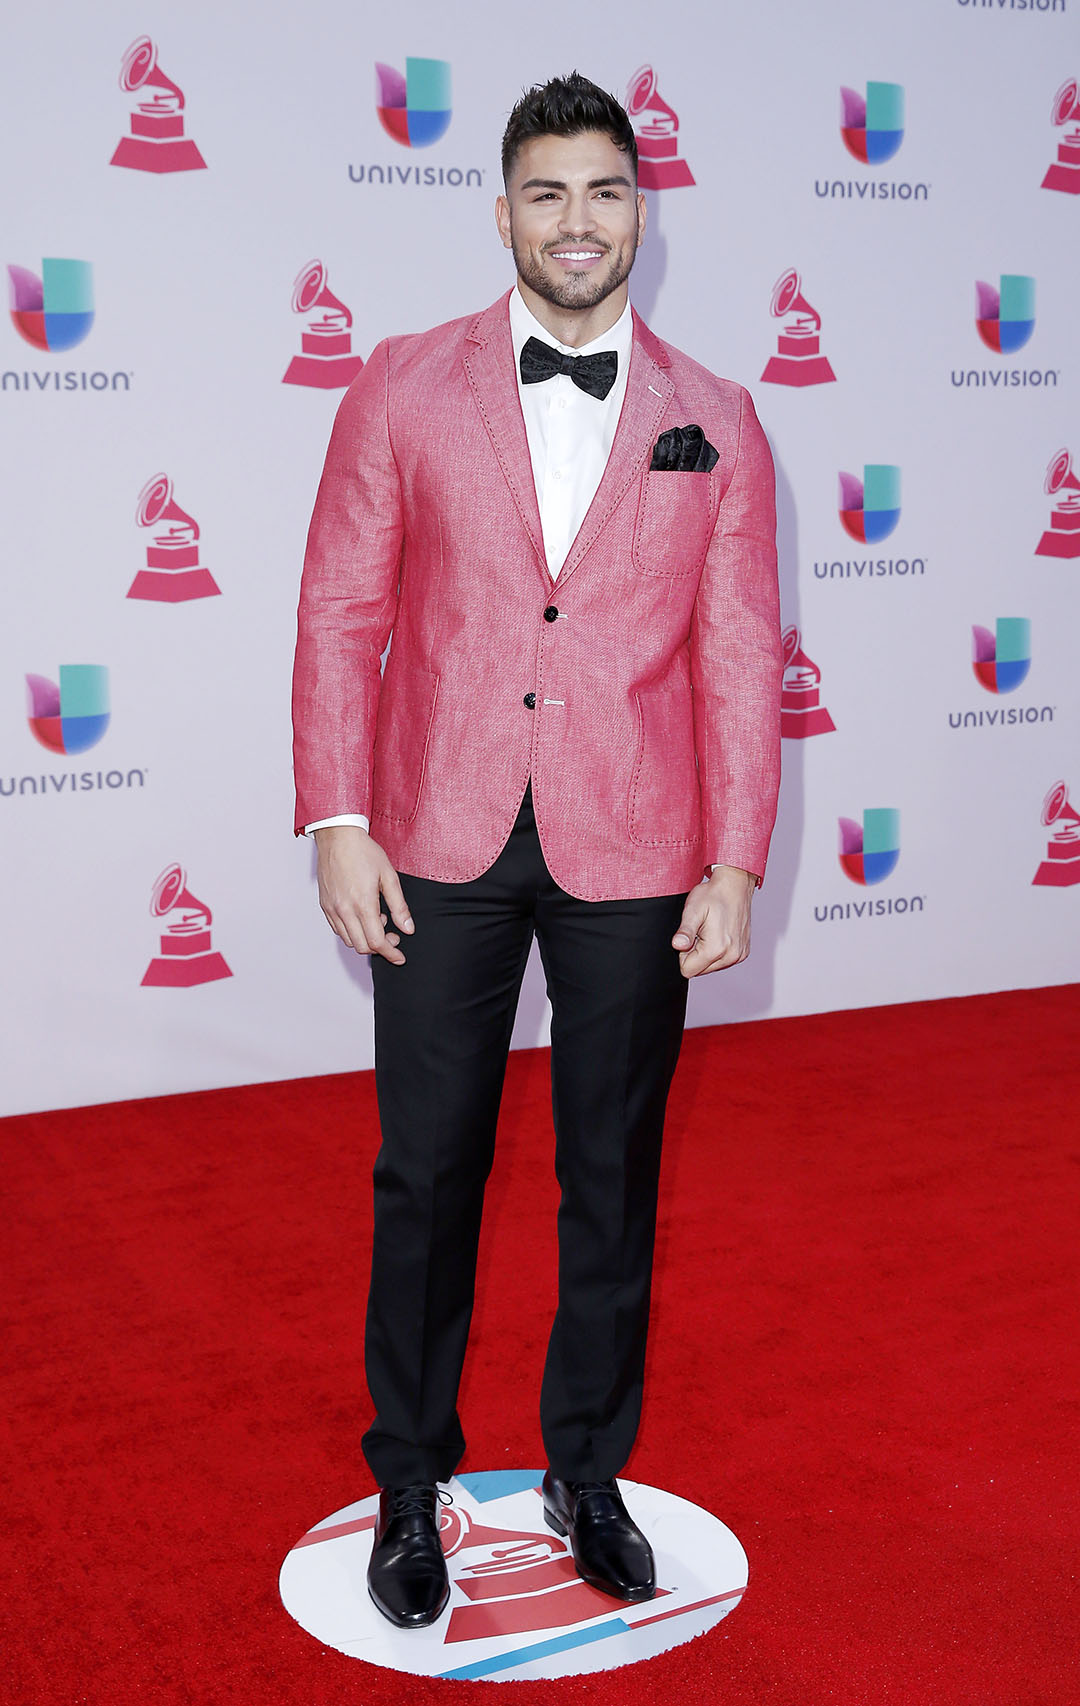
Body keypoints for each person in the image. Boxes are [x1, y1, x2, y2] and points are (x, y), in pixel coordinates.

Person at [292, 72, 782, 1631]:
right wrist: (338, 820)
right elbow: (339, 613)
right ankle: (408, 1479)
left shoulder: (720, 415)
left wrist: (736, 858)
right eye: (550, 193)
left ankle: (587, 1468)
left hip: (635, 840)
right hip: (436, 828)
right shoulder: (399, 384)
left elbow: (737, 656)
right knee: (428, 1170)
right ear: (502, 213)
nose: (580, 221)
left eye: (607, 192)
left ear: (643, 212)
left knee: (612, 1172)